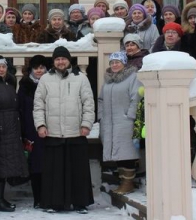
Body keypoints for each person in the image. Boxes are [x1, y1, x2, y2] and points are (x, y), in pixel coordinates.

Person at [33, 46, 95, 214]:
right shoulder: (45, 79)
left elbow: (88, 103)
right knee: (54, 171)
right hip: (52, 132)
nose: (60, 62)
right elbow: (38, 105)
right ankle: (54, 203)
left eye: (63, 59)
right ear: (54, 62)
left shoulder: (81, 78)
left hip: (76, 131)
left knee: (78, 170)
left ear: (69, 60)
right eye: (57, 59)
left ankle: (80, 203)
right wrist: (40, 125)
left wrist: (86, 124)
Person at [0, 56, 28, 212]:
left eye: (3, 66)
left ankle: (0, 198)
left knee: (6, 167)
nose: (1, 69)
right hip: (0, 130)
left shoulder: (9, 83)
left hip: (11, 129)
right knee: (0, 167)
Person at [98, 51, 142, 195]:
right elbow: (101, 100)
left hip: (124, 121)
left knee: (126, 152)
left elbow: (136, 97)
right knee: (116, 152)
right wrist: (101, 116)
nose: (115, 65)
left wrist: (129, 116)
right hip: (109, 122)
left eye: (118, 62)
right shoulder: (108, 81)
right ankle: (123, 180)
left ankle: (128, 182)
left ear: (124, 63)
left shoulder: (132, 77)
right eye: (112, 62)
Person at [18, 55, 50, 209]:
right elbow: (21, 109)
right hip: (31, 130)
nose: (39, 70)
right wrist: (23, 132)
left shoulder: (52, 83)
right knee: (35, 165)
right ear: (31, 69)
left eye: (42, 67)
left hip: (51, 130)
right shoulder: (25, 85)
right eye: (36, 67)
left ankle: (49, 196)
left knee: (50, 165)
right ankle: (37, 198)